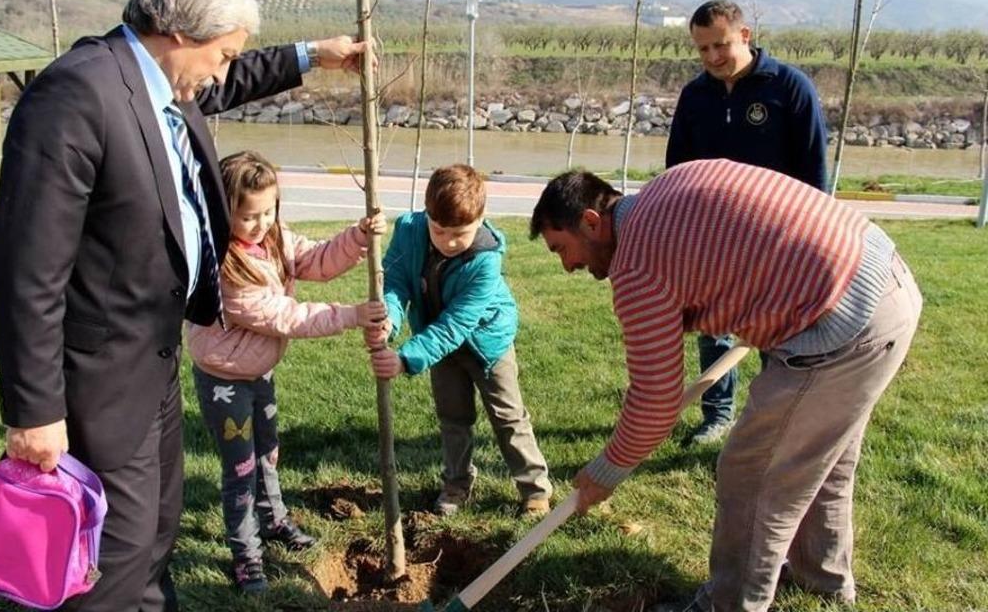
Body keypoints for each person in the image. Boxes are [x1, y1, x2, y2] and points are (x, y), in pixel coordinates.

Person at [0, 0, 371, 611]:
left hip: (155, 353)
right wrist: (33, 411)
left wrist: (316, 56)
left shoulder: (163, 83)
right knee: (117, 546)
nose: (224, 72)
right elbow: (26, 267)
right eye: (222, 54)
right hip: (101, 370)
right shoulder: (76, 97)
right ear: (178, 33)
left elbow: (235, 80)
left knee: (157, 528)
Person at [530, 160, 921, 612]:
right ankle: (821, 579)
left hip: (844, 320)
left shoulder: (636, 264)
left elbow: (656, 400)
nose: (567, 266)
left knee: (752, 473)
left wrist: (606, 471)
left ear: (591, 222)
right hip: (883, 276)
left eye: (562, 248)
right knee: (817, 459)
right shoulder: (664, 191)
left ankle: (728, 604)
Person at [186, 150, 386, 594]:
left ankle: (273, 520)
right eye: (249, 216)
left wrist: (356, 237)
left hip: (258, 373)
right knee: (239, 468)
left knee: (267, 454)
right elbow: (287, 316)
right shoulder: (225, 268)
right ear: (223, 211)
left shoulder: (273, 238)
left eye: (269, 210)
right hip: (225, 381)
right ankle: (246, 555)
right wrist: (352, 314)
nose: (261, 223)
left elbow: (316, 259)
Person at [666, 0, 830, 445]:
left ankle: (772, 422)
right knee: (714, 329)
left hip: (779, 240)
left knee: (777, 334)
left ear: (745, 36)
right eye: (702, 50)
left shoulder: (789, 88)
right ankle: (716, 417)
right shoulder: (695, 97)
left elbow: (814, 170)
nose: (712, 57)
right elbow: (677, 171)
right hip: (712, 240)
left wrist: (813, 238)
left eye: (720, 45)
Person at [366, 164, 552, 517]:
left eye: (461, 233)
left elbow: (456, 325)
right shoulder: (409, 231)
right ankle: (456, 485)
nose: (450, 242)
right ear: (426, 215)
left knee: (508, 416)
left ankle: (534, 489)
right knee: (453, 417)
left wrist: (405, 358)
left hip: (486, 344)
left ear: (481, 219)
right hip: (439, 345)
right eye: (439, 231)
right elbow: (396, 281)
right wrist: (389, 319)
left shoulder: (486, 260)